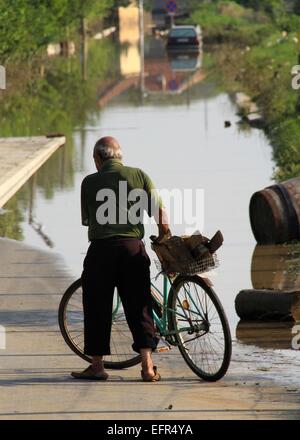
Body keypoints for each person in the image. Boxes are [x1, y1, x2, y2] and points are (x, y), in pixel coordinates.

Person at [71, 136, 170, 382]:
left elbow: (88, 219)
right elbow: (160, 213)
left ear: (98, 159)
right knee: (140, 307)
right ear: (120, 157)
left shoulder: (89, 182)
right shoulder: (139, 175)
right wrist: (164, 235)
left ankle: (97, 366)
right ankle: (148, 367)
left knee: (97, 307)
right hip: (132, 249)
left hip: (101, 251)